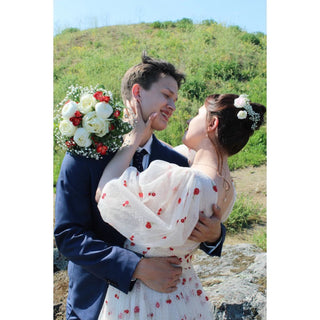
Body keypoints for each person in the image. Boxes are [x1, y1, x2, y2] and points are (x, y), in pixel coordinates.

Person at [54, 53, 225, 320]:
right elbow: (68, 236)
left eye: (175, 100)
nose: (172, 106)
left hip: (162, 306)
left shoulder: (176, 161)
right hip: (94, 303)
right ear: (137, 93)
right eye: (166, 95)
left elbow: (188, 224)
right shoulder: (85, 151)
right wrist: (136, 267)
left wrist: (214, 235)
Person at [95, 93, 266, 319]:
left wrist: (133, 138)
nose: (188, 120)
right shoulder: (227, 188)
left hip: (145, 296)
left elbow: (106, 192)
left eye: (197, 114)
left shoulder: (190, 181)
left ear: (212, 124)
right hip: (183, 291)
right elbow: (177, 152)